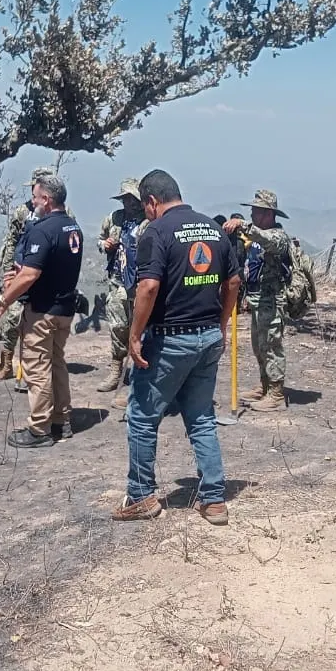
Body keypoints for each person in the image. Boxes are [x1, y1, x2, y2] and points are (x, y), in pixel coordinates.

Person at [112, 169, 241, 525]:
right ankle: (214, 498)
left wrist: (134, 335)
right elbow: (233, 280)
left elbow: (148, 288)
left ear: (151, 201)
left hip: (170, 339)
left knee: (141, 416)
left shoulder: (156, 231)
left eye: (145, 206)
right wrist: (222, 322)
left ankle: (141, 496)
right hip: (208, 337)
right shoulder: (213, 228)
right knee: (200, 417)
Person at [0, 174, 83, 448]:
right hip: (64, 309)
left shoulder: (43, 229)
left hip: (42, 311)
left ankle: (39, 429)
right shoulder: (72, 227)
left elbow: (29, 274)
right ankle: (61, 421)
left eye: (35, 196)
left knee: (37, 368)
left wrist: (4, 300)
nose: (32, 202)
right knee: (57, 363)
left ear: (46, 199)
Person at [222, 189, 293, 412]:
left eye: (255, 211)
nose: (252, 214)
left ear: (267, 214)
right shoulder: (254, 237)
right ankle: (264, 385)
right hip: (258, 300)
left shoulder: (277, 236)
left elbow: (266, 240)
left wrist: (243, 225)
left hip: (272, 301)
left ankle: (276, 393)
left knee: (271, 346)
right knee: (259, 346)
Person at [0, 166, 56, 383]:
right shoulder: (21, 212)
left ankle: (35, 369)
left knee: (39, 326)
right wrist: (8, 272)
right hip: (20, 273)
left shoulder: (59, 215)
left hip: (44, 279)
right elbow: (11, 243)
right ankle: (6, 362)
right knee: (12, 319)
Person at [96, 178, 144, 395]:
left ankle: (137, 373)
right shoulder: (114, 218)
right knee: (117, 326)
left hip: (140, 282)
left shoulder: (148, 221)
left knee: (140, 328)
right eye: (125, 199)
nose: (128, 203)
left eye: (132, 199)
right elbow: (101, 239)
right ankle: (116, 369)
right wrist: (104, 245)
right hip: (117, 280)